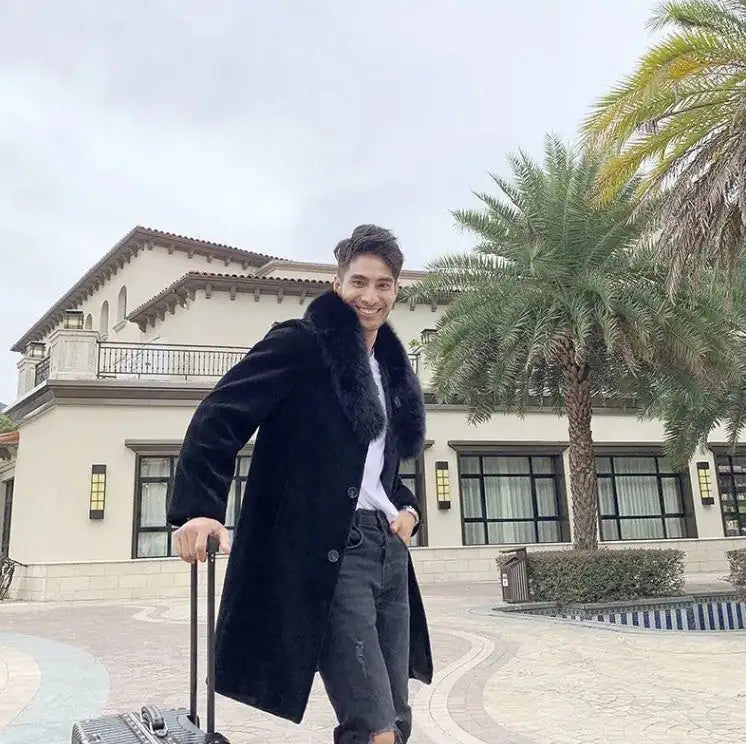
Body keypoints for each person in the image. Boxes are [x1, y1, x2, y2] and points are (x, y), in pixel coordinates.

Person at [167, 224, 433, 744]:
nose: (370, 296)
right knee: (373, 726)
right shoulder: (302, 345)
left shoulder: (389, 368)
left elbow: (376, 465)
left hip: (388, 552)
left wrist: (407, 509)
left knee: (398, 718)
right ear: (337, 284)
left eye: (382, 285)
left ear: (396, 291)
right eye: (359, 282)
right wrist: (199, 508)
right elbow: (220, 415)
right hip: (333, 552)